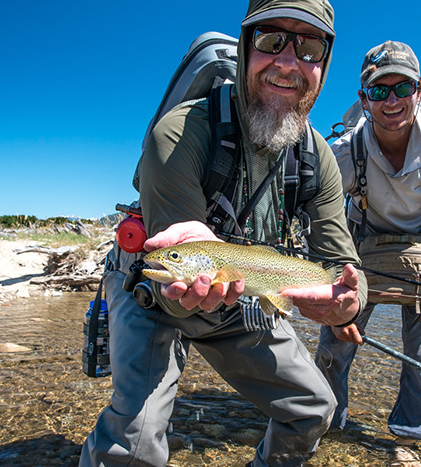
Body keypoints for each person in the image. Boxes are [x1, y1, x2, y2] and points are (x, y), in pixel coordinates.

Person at [79, 1, 367, 466]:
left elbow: (344, 270)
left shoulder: (319, 161)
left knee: (315, 408)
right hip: (151, 289)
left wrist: (345, 304)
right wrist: (186, 261)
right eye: (273, 40)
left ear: (324, 66)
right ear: (245, 47)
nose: (289, 62)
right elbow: (175, 289)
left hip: (244, 287)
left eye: (309, 47)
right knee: (135, 445)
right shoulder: (177, 133)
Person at [315, 40, 421, 447]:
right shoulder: (342, 153)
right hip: (358, 250)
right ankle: (325, 427)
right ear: (363, 99)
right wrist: (333, 291)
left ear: (419, 90)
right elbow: (322, 221)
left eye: (402, 88)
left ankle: (408, 441)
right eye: (379, 90)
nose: (392, 100)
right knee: (334, 348)